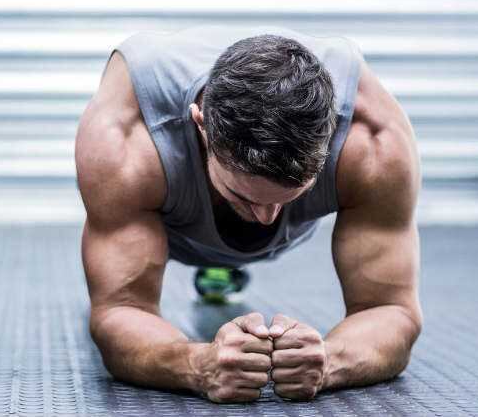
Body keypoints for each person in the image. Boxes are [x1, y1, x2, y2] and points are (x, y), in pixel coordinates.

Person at [75, 26, 422, 402]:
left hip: (263, 211)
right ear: (201, 124)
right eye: (243, 195)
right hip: (176, 220)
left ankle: (231, 233)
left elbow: (392, 311)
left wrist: (331, 361)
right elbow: (120, 312)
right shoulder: (128, 140)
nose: (266, 219)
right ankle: (217, 254)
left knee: (254, 216)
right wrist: (197, 364)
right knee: (148, 224)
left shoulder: (371, 141)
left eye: (289, 196)